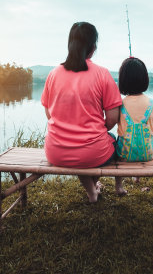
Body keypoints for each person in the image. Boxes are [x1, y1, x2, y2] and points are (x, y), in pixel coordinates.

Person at [41, 22, 122, 203]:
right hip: (94, 153)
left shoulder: (53, 74)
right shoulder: (102, 74)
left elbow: (49, 113)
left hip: (56, 152)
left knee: (86, 151)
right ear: (93, 47)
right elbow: (112, 119)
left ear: (70, 44)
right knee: (111, 142)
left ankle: (92, 191)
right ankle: (93, 188)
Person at [114, 57, 153, 195]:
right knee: (145, 141)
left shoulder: (119, 104)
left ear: (122, 81)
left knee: (116, 142)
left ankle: (119, 185)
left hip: (124, 155)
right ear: (145, 79)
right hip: (148, 155)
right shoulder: (152, 103)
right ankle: (137, 176)